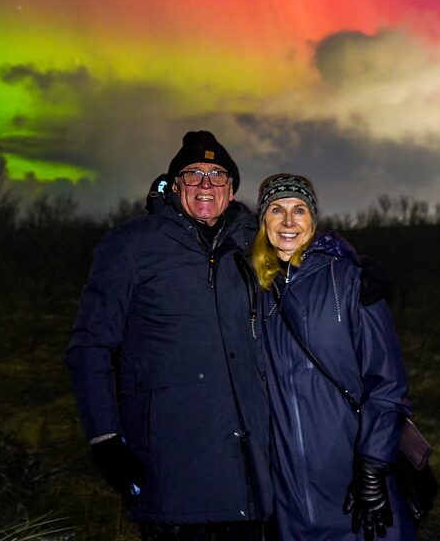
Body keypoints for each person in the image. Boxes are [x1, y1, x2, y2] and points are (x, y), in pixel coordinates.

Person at [66, 131, 273, 540]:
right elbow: (90, 347)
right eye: (193, 174)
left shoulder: (254, 245)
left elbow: (309, 258)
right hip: (172, 467)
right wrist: (105, 437)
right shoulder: (131, 245)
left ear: (231, 189)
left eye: (217, 175)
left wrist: (356, 270)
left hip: (252, 473)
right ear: (175, 185)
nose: (205, 185)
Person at [251, 173, 415, 541]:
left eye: (300, 209)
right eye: (276, 210)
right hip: (289, 492)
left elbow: (386, 381)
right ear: (263, 221)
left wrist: (373, 464)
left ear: (313, 219)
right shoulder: (255, 292)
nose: (289, 221)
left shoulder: (350, 280)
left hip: (354, 481)